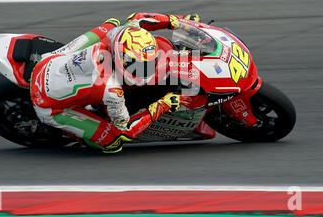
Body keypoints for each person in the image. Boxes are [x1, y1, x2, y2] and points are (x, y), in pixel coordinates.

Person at [30, 12, 200, 153]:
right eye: (140, 66)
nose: (147, 69)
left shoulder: (117, 35)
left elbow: (139, 17)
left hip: (49, 61)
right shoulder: (112, 90)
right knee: (114, 142)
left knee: (111, 24)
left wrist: (178, 21)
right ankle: (71, 132)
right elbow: (126, 130)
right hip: (50, 105)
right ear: (122, 59)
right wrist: (161, 105)